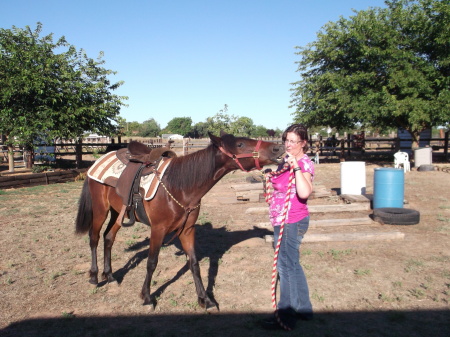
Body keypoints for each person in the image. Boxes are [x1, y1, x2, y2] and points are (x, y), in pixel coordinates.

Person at [262, 123, 314, 331]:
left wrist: (297, 167)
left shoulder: (305, 163)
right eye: (287, 140)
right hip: (280, 219)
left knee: (285, 266)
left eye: (293, 141)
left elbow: (304, 193)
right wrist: (269, 175)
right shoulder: (285, 160)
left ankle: (286, 315)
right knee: (293, 264)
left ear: (303, 143)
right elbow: (280, 183)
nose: (289, 144)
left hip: (292, 221)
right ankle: (304, 309)